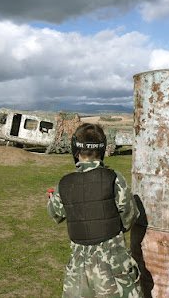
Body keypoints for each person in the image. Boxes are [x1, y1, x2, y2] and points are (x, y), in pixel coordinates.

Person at [47, 123, 143, 298]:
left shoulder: (65, 184)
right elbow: (129, 217)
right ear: (102, 148)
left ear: (76, 150)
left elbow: (55, 213)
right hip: (114, 267)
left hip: (78, 272)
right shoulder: (114, 178)